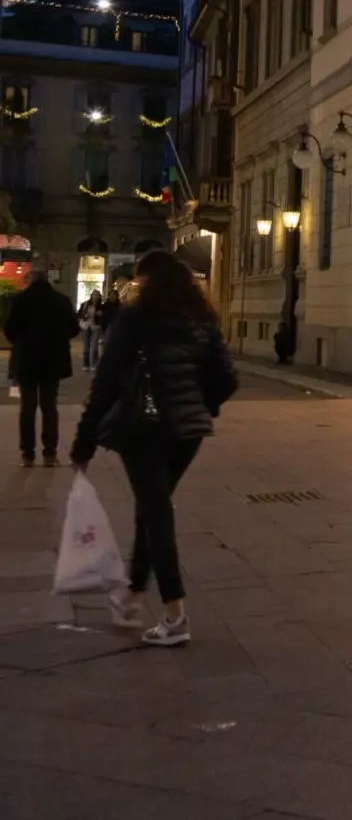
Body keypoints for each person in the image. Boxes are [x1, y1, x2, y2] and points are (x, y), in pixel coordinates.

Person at [71, 251, 236, 647]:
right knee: (152, 507)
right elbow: (226, 380)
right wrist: (199, 404)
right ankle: (133, 593)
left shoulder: (135, 320)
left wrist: (84, 441)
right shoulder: (201, 319)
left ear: (148, 281)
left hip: (143, 429)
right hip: (188, 432)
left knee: (157, 513)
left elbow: (106, 382)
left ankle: (175, 614)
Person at [3, 272, 79, 466]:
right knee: (49, 407)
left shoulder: (19, 300)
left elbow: (9, 329)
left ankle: (27, 454)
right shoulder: (61, 300)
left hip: (26, 359)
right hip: (52, 361)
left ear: (30, 281)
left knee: (27, 408)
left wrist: (22, 342)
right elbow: (74, 328)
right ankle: (50, 454)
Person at [78, 290, 105, 372]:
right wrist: (84, 316)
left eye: (97, 295)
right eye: (94, 294)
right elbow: (79, 314)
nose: (95, 296)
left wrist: (101, 314)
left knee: (94, 347)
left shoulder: (101, 306)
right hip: (86, 327)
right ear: (91, 295)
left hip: (95, 327)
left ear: (99, 296)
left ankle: (94, 364)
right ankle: (86, 365)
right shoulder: (85, 304)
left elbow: (104, 316)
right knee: (86, 347)